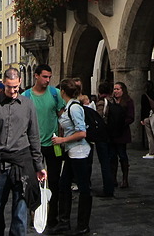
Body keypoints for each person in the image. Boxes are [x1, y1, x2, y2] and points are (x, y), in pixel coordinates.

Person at [0, 68, 46, 236]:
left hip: (22, 162)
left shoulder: (27, 105)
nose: (12, 91)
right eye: (8, 87)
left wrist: (38, 165)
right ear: (3, 83)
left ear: (19, 82)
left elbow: (34, 136)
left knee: (20, 212)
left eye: (15, 87)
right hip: (0, 164)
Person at [22, 64, 62, 232]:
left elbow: (61, 116)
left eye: (49, 77)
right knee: (33, 182)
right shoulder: (26, 96)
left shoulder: (55, 93)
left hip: (53, 145)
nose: (47, 80)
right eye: (44, 77)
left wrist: (63, 139)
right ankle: (35, 213)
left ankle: (52, 216)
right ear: (36, 76)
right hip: (33, 146)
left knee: (54, 182)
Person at [51, 78, 93, 235]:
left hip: (80, 153)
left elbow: (82, 133)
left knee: (83, 188)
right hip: (71, 152)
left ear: (62, 91)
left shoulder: (74, 108)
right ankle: (64, 222)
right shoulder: (68, 107)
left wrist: (63, 140)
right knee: (64, 186)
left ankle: (83, 224)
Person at [107, 82, 135, 188]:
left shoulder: (128, 101)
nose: (116, 91)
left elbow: (131, 117)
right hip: (112, 133)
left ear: (123, 90)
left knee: (122, 156)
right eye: (114, 89)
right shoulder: (111, 102)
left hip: (122, 132)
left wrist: (121, 123)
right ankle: (113, 178)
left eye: (118, 89)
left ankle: (124, 179)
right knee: (112, 156)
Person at [93, 82, 116, 198]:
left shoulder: (102, 102)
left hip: (103, 136)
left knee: (105, 163)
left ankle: (108, 189)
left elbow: (99, 119)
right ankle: (112, 184)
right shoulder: (114, 101)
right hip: (113, 135)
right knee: (111, 161)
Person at [140, 80, 154, 159]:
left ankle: (151, 152)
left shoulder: (144, 95)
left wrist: (142, 119)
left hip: (148, 117)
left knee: (150, 135)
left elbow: (143, 108)